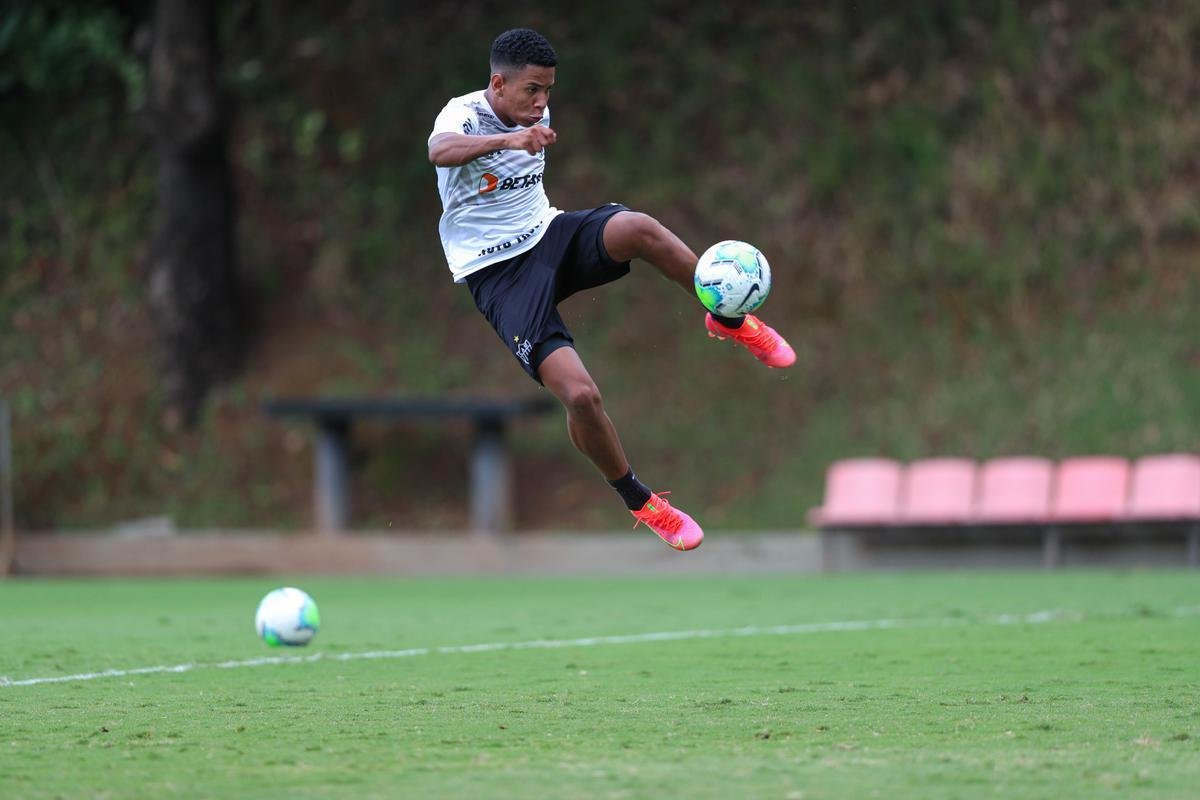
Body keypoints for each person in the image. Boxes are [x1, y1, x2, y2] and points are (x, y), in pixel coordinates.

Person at [427, 28, 795, 551]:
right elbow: (440, 151)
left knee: (636, 228)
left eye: (549, 91)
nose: (542, 103)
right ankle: (644, 502)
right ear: (497, 83)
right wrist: (508, 140)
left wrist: (524, 129)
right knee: (581, 395)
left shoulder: (535, 114)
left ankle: (727, 317)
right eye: (532, 90)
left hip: (547, 235)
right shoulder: (462, 115)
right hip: (498, 275)